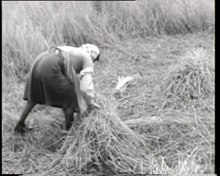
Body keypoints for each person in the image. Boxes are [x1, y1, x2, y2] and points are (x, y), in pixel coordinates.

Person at [14, 44, 101, 133]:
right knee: (71, 97)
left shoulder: (73, 51)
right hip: (53, 63)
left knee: (34, 97)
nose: (93, 63)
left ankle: (20, 125)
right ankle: (68, 130)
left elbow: (71, 76)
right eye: (95, 60)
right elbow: (86, 87)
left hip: (41, 59)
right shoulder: (87, 59)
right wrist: (91, 102)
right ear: (93, 56)